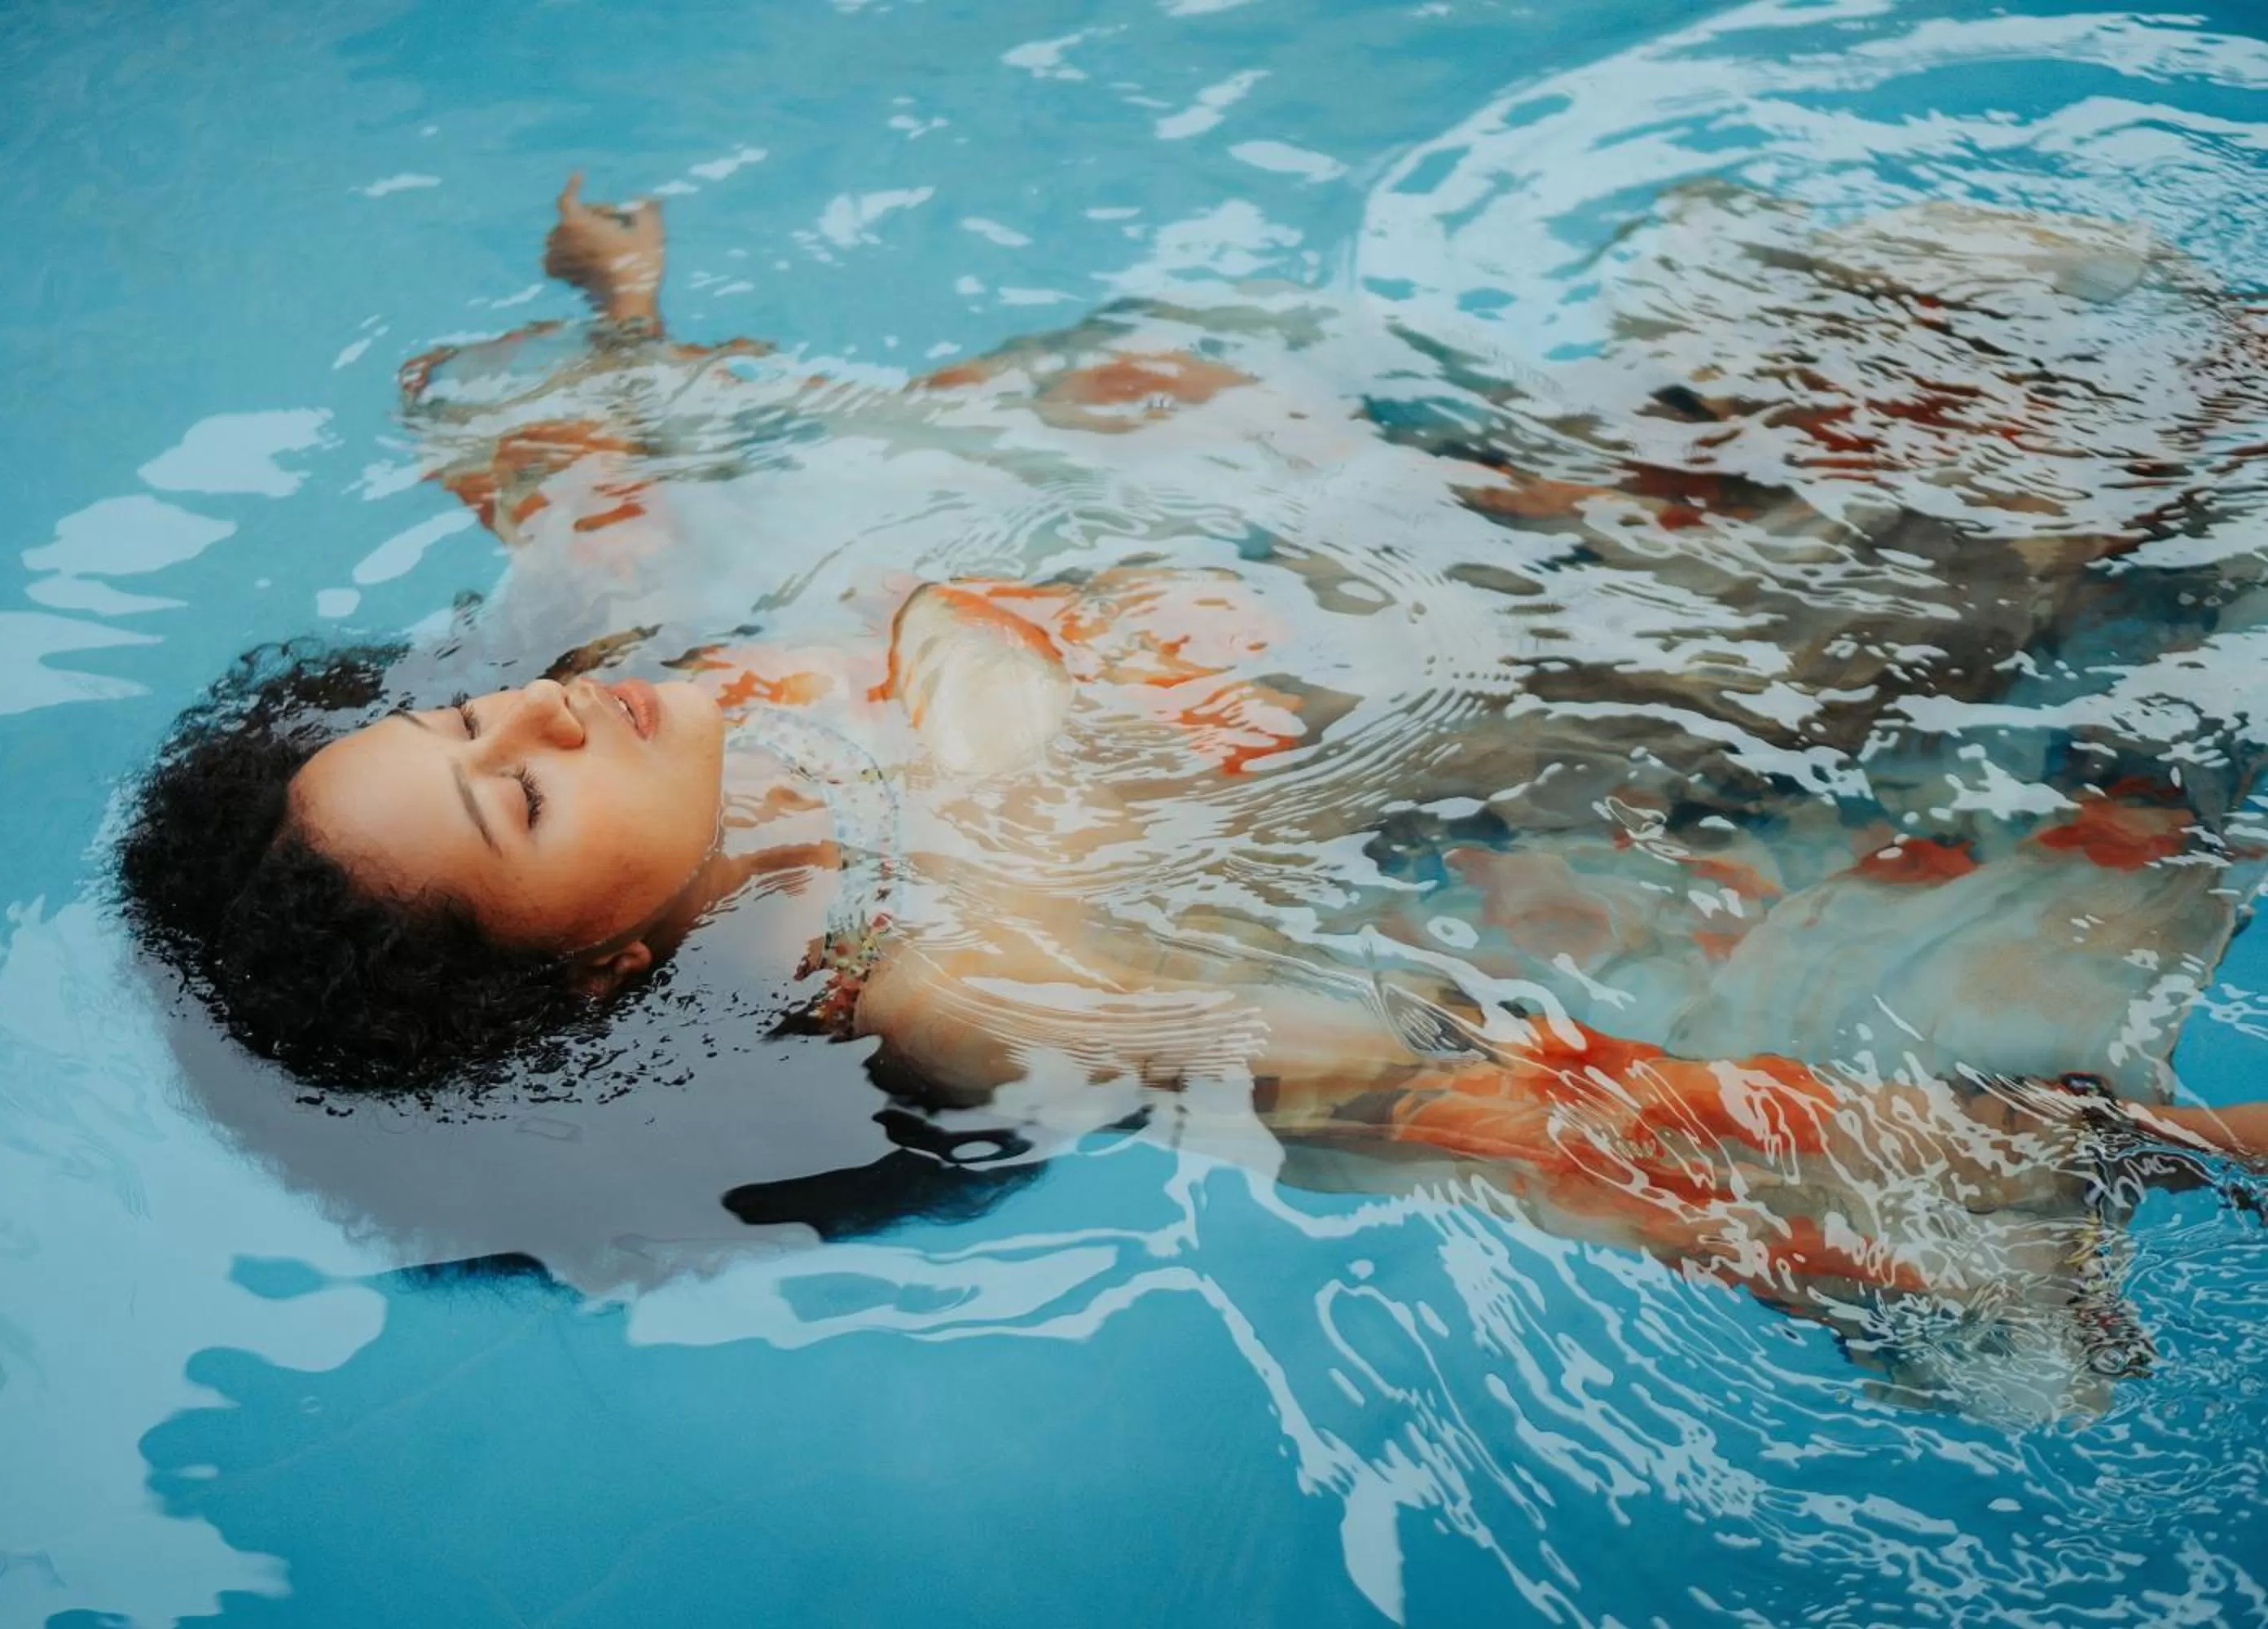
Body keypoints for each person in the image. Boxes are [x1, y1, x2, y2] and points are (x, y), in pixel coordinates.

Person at [118, 174, 2268, 1412]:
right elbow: (1469, 1100)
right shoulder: (953, 976)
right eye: (507, 801)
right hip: (1609, 694)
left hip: (1469, 504)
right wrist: (2150, 1150)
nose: (537, 731)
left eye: (461, 722)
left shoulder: (613, 662)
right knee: (2127, 499)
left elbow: (578, 471)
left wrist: (623, 312)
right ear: (598, 967)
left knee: (1938, 346)